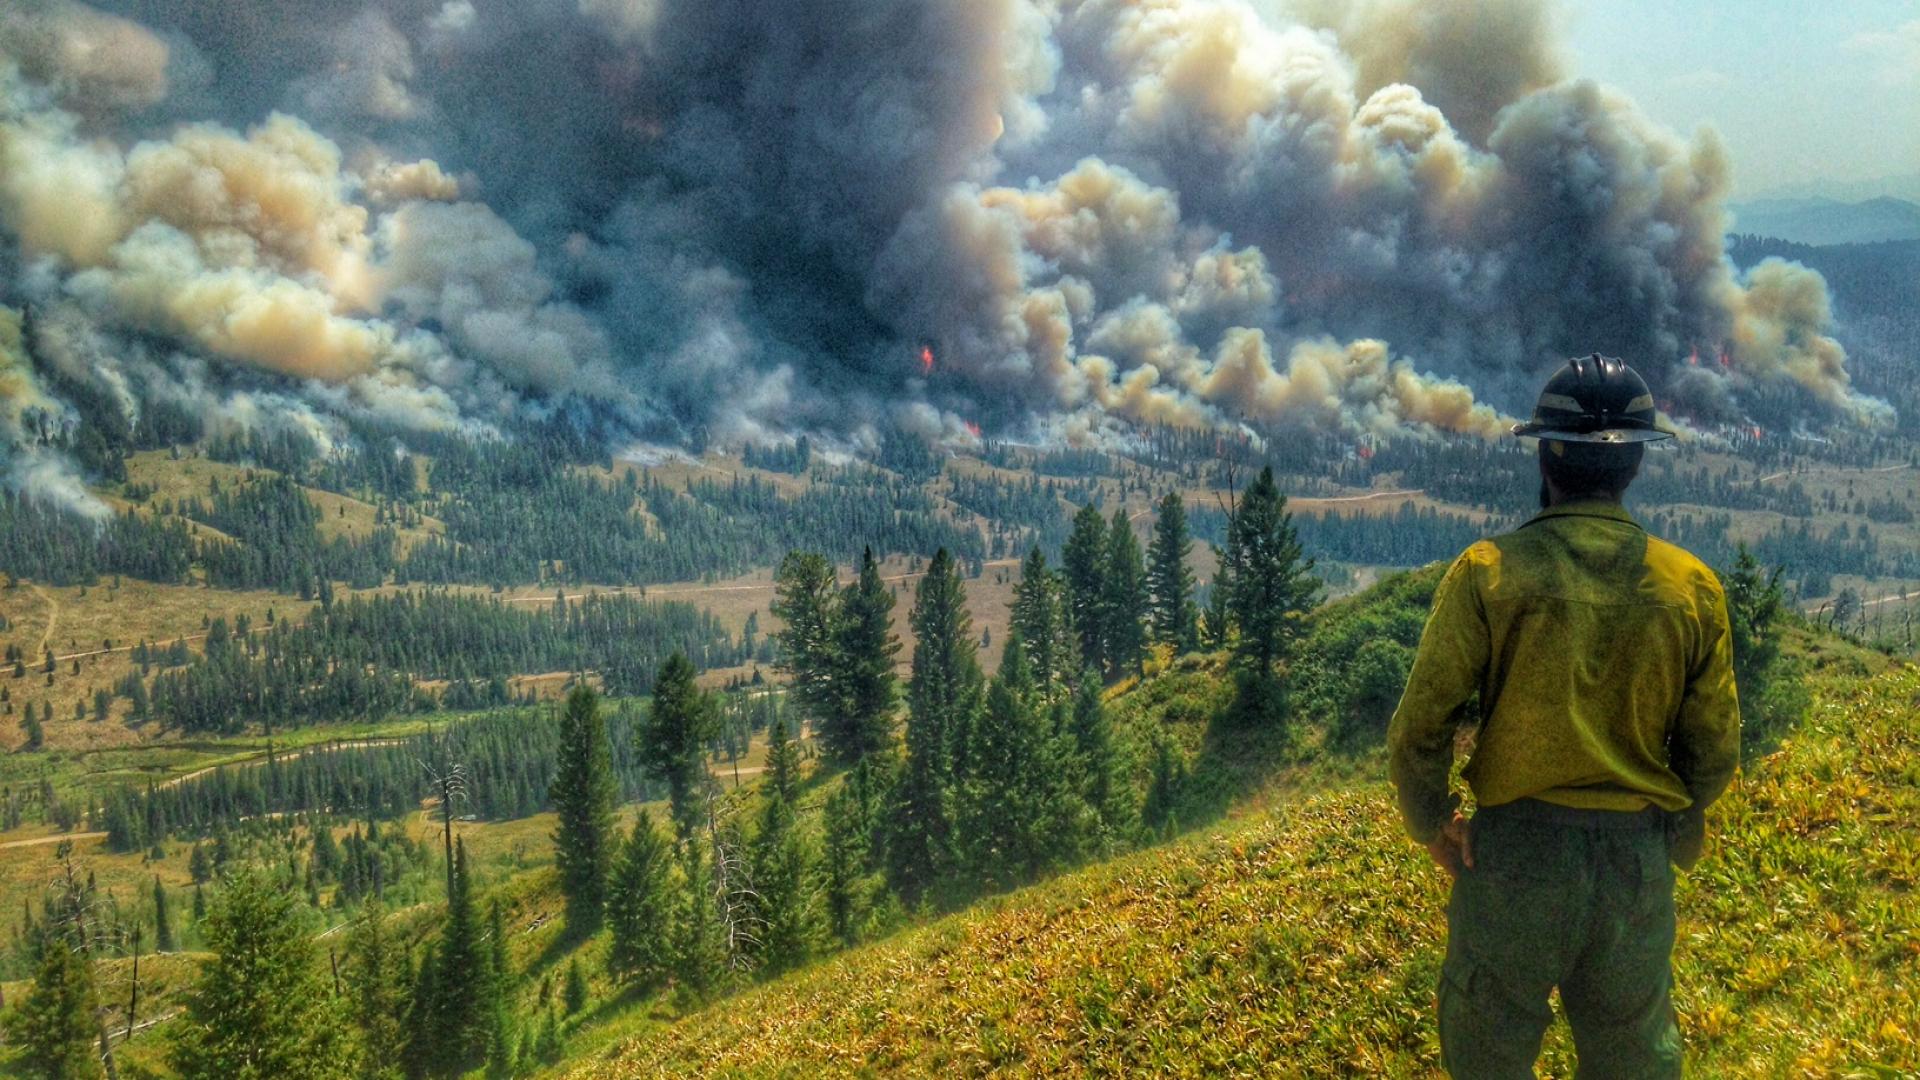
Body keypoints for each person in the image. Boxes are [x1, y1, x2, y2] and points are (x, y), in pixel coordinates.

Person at [1387, 354, 1741, 1079]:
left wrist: (1433, 821)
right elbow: (1713, 750)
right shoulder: (1692, 588)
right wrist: (1675, 820)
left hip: (1514, 861)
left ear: (1546, 456)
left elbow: (1420, 727)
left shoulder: (1489, 572)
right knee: (1633, 1057)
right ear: (1635, 464)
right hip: (1634, 867)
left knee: (1486, 1054)